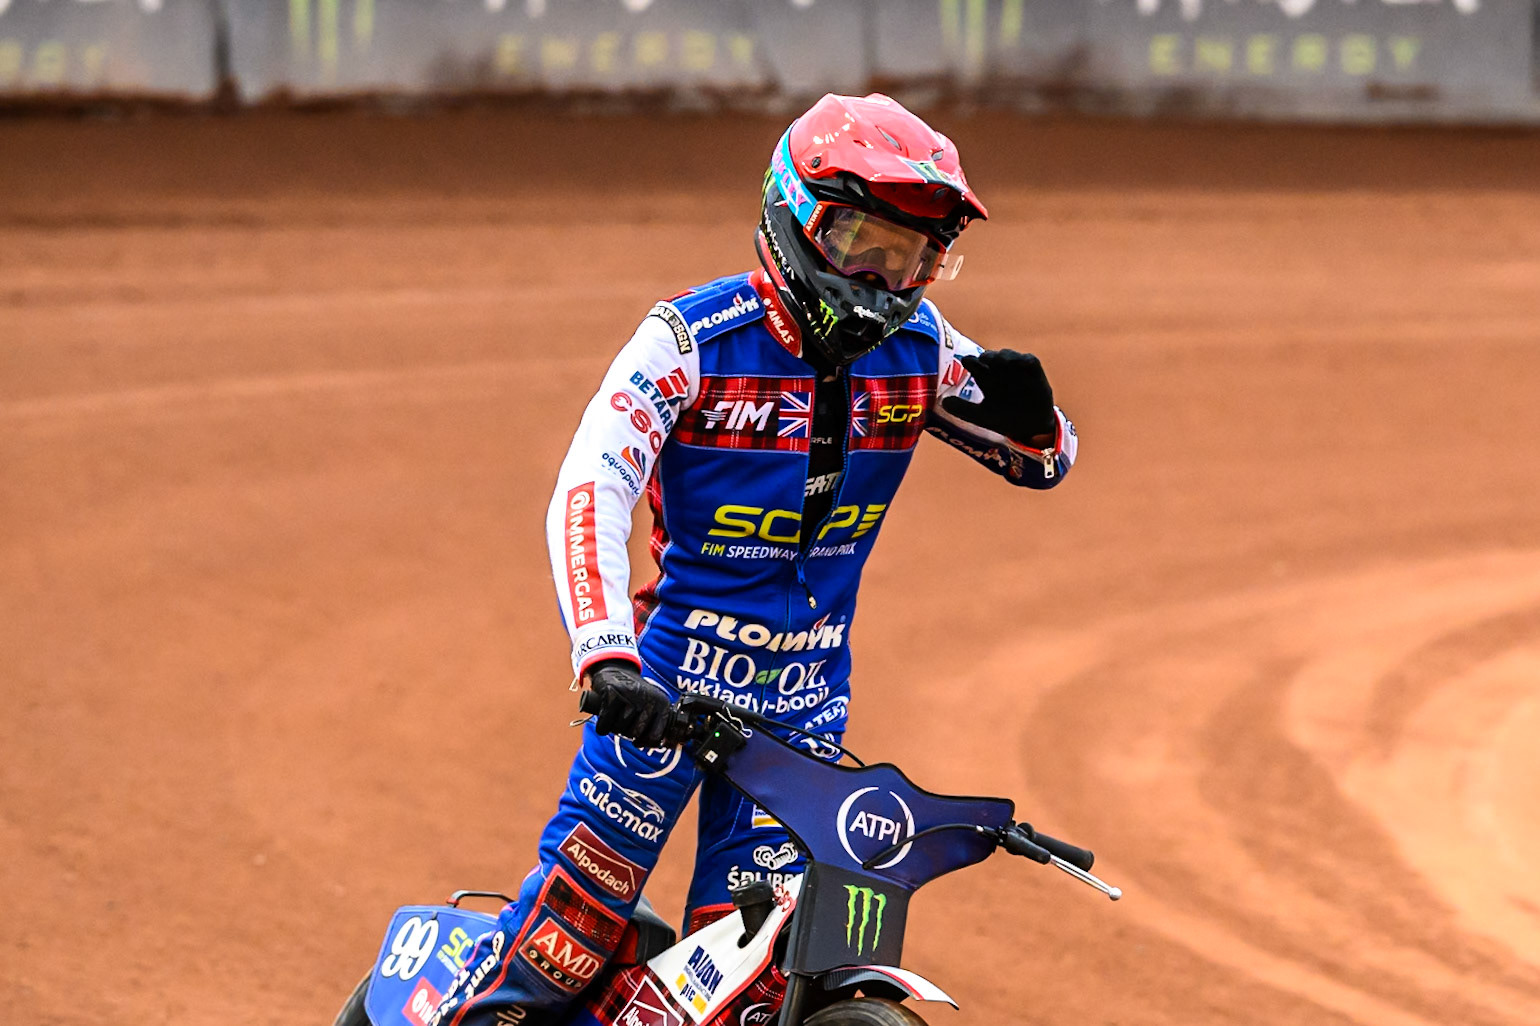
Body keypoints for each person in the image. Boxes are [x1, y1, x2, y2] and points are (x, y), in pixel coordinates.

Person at [433, 92, 1077, 1026]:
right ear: (796, 216)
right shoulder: (689, 341)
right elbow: (591, 487)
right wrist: (604, 652)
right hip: (662, 698)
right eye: (863, 240)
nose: (882, 275)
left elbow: (1044, 464)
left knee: (757, 982)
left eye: (908, 255)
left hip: (804, 711)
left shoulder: (920, 346)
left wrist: (1037, 417)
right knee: (557, 956)